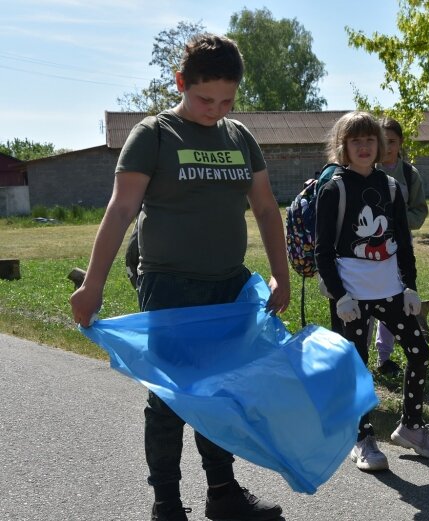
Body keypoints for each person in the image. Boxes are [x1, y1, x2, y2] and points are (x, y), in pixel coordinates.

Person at [69, 34, 290, 521]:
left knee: (219, 392)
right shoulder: (155, 133)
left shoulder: (239, 137)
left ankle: (223, 493)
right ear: (180, 83)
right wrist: (93, 284)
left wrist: (281, 273)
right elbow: (122, 208)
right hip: (170, 286)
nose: (215, 109)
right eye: (204, 98)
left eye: (226, 100)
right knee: (171, 399)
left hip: (229, 287)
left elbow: (268, 209)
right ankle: (166, 502)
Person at [314, 111, 429, 472]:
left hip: (391, 290)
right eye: (355, 141)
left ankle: (412, 428)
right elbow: (322, 251)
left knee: (419, 352)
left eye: (370, 140)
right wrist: (339, 295)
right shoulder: (333, 188)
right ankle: (361, 437)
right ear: (342, 146)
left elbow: (404, 245)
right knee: (358, 367)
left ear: (380, 146)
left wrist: (410, 287)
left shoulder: (391, 187)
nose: (363, 146)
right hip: (352, 296)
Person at [373, 116, 429, 375]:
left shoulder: (409, 174)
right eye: (382, 141)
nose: (387, 147)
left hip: (397, 250)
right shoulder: (365, 170)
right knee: (365, 304)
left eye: (392, 142)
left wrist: (398, 221)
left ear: (401, 143)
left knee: (392, 301)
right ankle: (357, 359)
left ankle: (384, 358)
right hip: (365, 251)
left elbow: (419, 212)